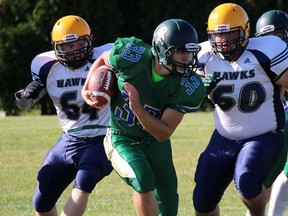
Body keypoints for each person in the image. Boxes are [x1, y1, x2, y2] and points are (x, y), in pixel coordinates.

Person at [82, 19, 206, 216]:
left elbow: (164, 132)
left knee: (168, 202)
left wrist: (138, 108)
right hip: (122, 137)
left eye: (189, 53)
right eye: (180, 52)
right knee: (143, 179)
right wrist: (87, 87)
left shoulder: (188, 85)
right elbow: (105, 58)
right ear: (161, 49)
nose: (187, 58)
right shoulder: (132, 53)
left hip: (156, 143)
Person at [192, 3, 288, 216]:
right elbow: (179, 90)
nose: (224, 41)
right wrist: (197, 89)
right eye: (218, 35)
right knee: (202, 199)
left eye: (231, 34)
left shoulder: (265, 51)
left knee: (247, 181)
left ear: (245, 31)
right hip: (224, 136)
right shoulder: (203, 56)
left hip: (263, 134)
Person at [15, 15, 113, 216]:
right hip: (69, 138)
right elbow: (23, 104)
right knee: (41, 201)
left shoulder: (106, 57)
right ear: (56, 47)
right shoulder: (45, 66)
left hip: (102, 137)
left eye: (78, 43)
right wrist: (26, 96)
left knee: (84, 182)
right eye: (67, 46)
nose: (74, 50)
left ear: (89, 40)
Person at [255, 9, 288, 216]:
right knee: (264, 179)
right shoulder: (257, 60)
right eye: (267, 39)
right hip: (272, 124)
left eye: (277, 37)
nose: (273, 44)